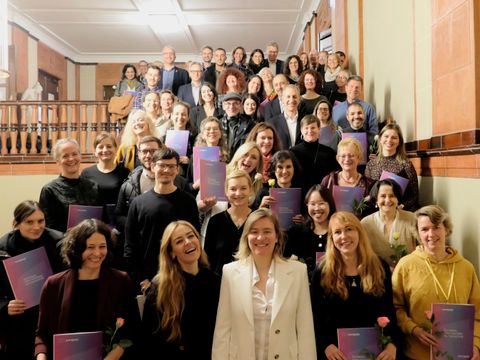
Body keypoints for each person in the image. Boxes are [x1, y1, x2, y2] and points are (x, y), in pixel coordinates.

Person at [212, 208, 316, 359]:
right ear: (246, 237)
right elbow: (223, 330)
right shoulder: (230, 273)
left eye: (267, 231)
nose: (260, 237)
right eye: (254, 231)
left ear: (277, 237)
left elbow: (305, 330)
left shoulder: (298, 272)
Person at [35, 219, 141, 360]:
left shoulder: (121, 281)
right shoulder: (53, 285)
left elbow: (133, 329)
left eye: (102, 246)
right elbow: (42, 335)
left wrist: (114, 356)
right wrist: (41, 357)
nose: (97, 253)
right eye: (90, 247)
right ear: (77, 249)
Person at [392, 205, 480, 360]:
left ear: (446, 229)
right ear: (418, 233)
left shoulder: (466, 268)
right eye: (424, 229)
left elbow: (478, 312)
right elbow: (395, 307)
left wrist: (475, 345)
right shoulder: (406, 266)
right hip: (417, 353)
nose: (431, 234)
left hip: (459, 354)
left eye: (436, 227)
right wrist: (414, 329)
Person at [311, 211, 398, 360]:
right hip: (335, 354)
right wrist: (325, 345)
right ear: (332, 239)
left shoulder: (379, 266)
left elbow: (389, 310)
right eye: (337, 232)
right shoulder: (322, 271)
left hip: (375, 352)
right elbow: (315, 316)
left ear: (359, 232)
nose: (344, 236)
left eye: (349, 229)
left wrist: (392, 345)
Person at [141, 221, 220, 359]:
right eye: (179, 241)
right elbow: (150, 340)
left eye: (191, 236)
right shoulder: (159, 287)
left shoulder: (215, 281)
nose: (188, 242)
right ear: (171, 252)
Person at [124, 148, 200, 292]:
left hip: (182, 278)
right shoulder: (138, 203)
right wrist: (141, 279)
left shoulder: (188, 202)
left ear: (177, 169)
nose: (166, 170)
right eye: (162, 165)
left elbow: (195, 241)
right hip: (149, 280)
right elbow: (130, 246)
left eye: (171, 166)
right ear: (153, 167)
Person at [0, 201, 63, 360]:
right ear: (16, 223)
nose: (36, 227)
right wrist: (4, 306)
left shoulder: (58, 241)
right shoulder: (3, 246)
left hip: (51, 313)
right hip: (19, 318)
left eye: (40, 221)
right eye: (29, 222)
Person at [39, 138, 99, 232]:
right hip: (62, 244)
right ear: (57, 161)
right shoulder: (49, 190)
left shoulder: (93, 186)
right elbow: (48, 227)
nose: (71, 159)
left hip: (91, 243)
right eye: (65, 156)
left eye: (75, 154)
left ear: (80, 156)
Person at [204, 170, 253, 276]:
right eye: (233, 189)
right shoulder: (215, 222)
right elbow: (207, 259)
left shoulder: (258, 220)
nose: (238, 193)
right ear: (226, 192)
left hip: (252, 283)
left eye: (243, 188)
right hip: (220, 285)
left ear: (250, 190)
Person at [361, 179, 417, 268]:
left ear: (398, 199)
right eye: (383, 196)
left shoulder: (412, 219)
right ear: (376, 200)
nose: (387, 200)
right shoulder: (365, 224)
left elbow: (422, 250)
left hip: (407, 275)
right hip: (378, 276)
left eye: (392, 196)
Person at [365, 122, 419, 211]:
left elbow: (414, 196)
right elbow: (368, 193)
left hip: (399, 211)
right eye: (386, 136)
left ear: (399, 142)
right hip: (376, 211)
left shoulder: (406, 164)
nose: (389, 140)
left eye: (394, 137)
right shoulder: (371, 164)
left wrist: (402, 206)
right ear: (380, 139)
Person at [285, 185, 335, 278]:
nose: (317, 208)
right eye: (312, 204)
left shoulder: (338, 233)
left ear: (330, 204)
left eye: (321, 203)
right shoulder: (296, 232)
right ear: (307, 206)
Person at [81, 132, 130, 225]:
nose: (105, 150)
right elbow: (83, 202)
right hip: (94, 223)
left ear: (116, 149)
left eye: (109, 146)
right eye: (100, 147)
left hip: (118, 224)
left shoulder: (125, 172)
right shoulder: (86, 173)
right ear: (95, 151)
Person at [321, 138, 375, 218]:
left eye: (351, 155)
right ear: (337, 158)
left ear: (359, 158)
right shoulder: (328, 180)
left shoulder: (370, 184)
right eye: (343, 156)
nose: (347, 159)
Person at [290, 114, 339, 192]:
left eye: (313, 127)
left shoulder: (329, 153)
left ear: (319, 129)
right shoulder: (292, 152)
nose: (310, 131)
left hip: (323, 194)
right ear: (301, 130)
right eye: (306, 128)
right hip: (299, 194)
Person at [267, 84, 304, 148]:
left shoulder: (306, 120)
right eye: (288, 97)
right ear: (282, 99)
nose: (291, 100)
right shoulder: (272, 123)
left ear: (299, 100)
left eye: (294, 97)